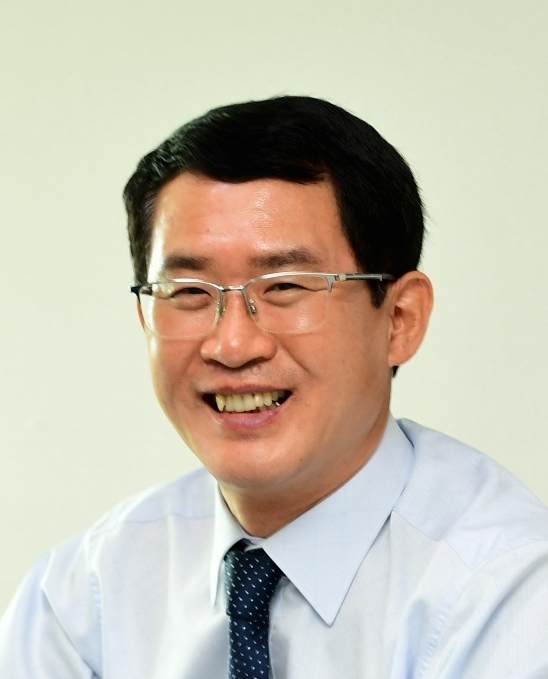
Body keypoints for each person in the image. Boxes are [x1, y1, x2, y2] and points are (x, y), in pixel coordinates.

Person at [1, 96, 547, 678]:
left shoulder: (507, 591)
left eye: (285, 286)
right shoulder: (81, 598)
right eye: (189, 292)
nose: (232, 345)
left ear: (399, 320)